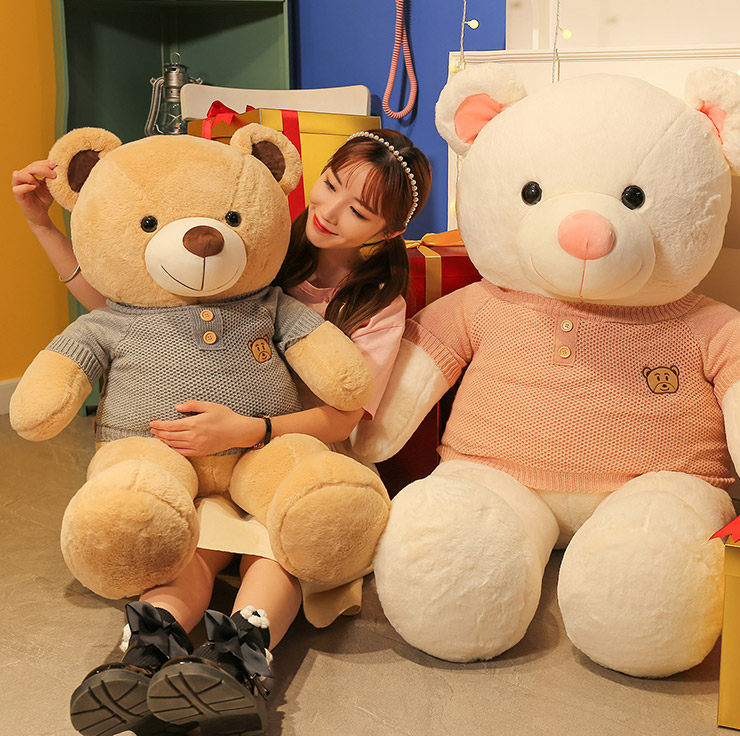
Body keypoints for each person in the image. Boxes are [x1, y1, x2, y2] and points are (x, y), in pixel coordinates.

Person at [12, 129, 431, 736]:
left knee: (272, 544)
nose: (330, 210)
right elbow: (126, 306)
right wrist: (43, 225)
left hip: (299, 450)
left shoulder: (376, 303)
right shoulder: (266, 242)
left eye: (358, 211)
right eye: (331, 184)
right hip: (205, 450)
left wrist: (249, 429)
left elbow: (343, 414)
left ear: (387, 231)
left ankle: (238, 661)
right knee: (198, 538)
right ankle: (144, 652)